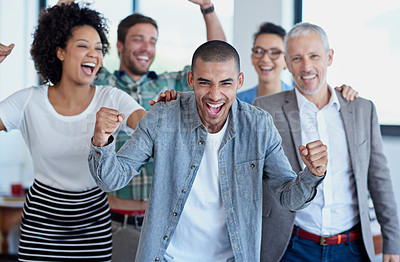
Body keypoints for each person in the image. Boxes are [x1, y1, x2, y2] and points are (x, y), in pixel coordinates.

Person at [88, 40, 328, 262]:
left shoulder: (258, 125)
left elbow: (288, 197)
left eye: (226, 83)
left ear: (240, 82)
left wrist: (312, 174)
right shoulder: (163, 115)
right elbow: (112, 179)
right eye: (205, 82)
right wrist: (102, 141)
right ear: (191, 80)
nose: (215, 94)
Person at [0, 3, 145, 261]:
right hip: (40, 226)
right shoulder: (28, 101)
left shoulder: (111, 97)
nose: (94, 54)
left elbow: (150, 127)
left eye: (99, 48)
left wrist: (166, 109)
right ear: (60, 52)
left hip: (93, 226)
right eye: (83, 45)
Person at [87, 0, 226, 260]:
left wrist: (207, 8)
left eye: (152, 41)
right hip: (113, 224)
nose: (147, 47)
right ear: (120, 46)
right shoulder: (102, 83)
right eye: (138, 39)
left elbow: (219, 59)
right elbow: (60, 56)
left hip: (163, 225)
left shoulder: (170, 85)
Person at [253, 22, 400, 262]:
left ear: (329, 57)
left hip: (351, 248)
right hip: (290, 246)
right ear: (287, 63)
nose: (307, 67)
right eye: (297, 58)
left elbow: (379, 179)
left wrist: (393, 242)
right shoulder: (266, 109)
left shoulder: (362, 109)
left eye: (314, 56)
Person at [237, 22, 358, 105]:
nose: (265, 59)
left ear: (286, 61)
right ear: (252, 57)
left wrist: (342, 95)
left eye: (274, 52)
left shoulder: (302, 99)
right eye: (258, 51)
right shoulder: (237, 102)